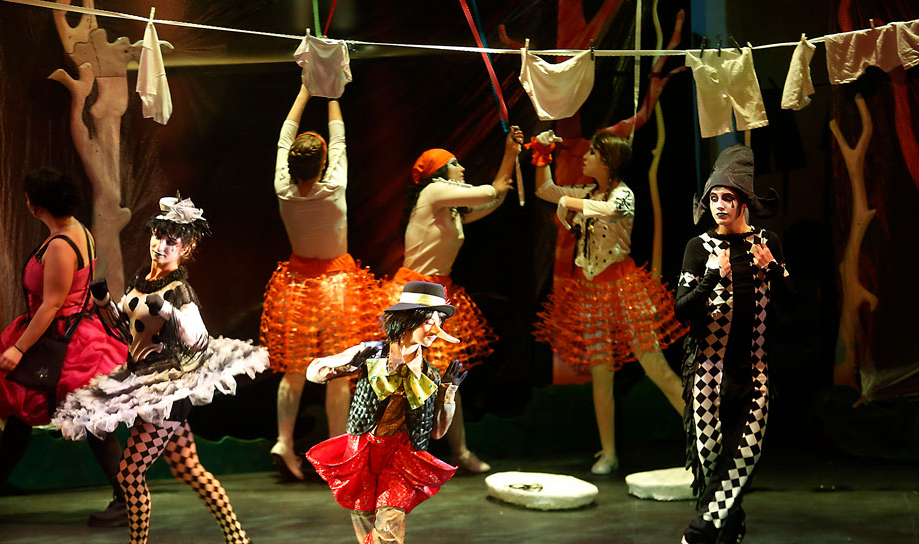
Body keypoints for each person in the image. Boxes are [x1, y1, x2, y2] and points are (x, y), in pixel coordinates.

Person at [52, 196, 269, 544]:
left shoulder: (179, 291)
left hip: (166, 394)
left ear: (186, 248)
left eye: (171, 241)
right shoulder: (143, 279)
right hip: (143, 380)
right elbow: (127, 331)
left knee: (129, 473)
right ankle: (238, 539)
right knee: (187, 467)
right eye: (158, 236)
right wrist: (105, 304)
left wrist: (168, 311)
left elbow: (198, 341)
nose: (161, 245)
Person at [0, 168, 127, 523]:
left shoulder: (62, 244)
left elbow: (52, 304)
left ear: (36, 206)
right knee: (21, 418)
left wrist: (18, 349)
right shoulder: (75, 230)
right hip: (66, 335)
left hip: (63, 341)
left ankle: (128, 499)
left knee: (94, 423)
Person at [305, 281, 466, 544]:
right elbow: (315, 372)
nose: (436, 328)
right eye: (430, 319)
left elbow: (437, 432)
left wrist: (449, 392)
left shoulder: (430, 375)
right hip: (361, 458)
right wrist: (348, 361)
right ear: (410, 319)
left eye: (439, 321)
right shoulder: (372, 353)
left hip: (399, 464)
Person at [532, 131, 686, 474]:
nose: (585, 158)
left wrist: (568, 203)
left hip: (624, 289)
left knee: (657, 369)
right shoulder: (588, 192)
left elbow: (612, 210)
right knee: (601, 376)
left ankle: (709, 441)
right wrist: (542, 153)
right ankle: (609, 452)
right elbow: (545, 190)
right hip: (591, 292)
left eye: (592, 154)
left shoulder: (623, 194)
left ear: (607, 161)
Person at [674, 144, 793, 544]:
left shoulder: (766, 243)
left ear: (743, 202)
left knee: (743, 457)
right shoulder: (699, 246)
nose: (719, 205)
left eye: (727, 197)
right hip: (708, 376)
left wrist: (774, 267)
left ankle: (697, 534)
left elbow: (793, 304)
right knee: (712, 465)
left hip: (755, 374)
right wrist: (711, 278)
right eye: (713, 198)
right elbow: (682, 310)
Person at [261, 83, 382, 481]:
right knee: (337, 374)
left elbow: (283, 137)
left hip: (296, 286)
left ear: (291, 165)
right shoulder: (334, 187)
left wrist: (303, 90)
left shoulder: (283, 188)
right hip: (336, 289)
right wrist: (331, 92)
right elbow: (339, 137)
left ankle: (283, 441)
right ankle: (338, 452)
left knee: (294, 370)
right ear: (324, 163)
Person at [389, 126, 524, 473]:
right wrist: (506, 159)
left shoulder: (450, 209)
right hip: (416, 296)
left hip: (439, 295)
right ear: (439, 173)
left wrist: (510, 154)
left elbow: (494, 198)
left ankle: (459, 452)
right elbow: (490, 190)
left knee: (447, 380)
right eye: (455, 164)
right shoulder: (433, 191)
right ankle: (403, 454)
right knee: (409, 378)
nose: (462, 168)